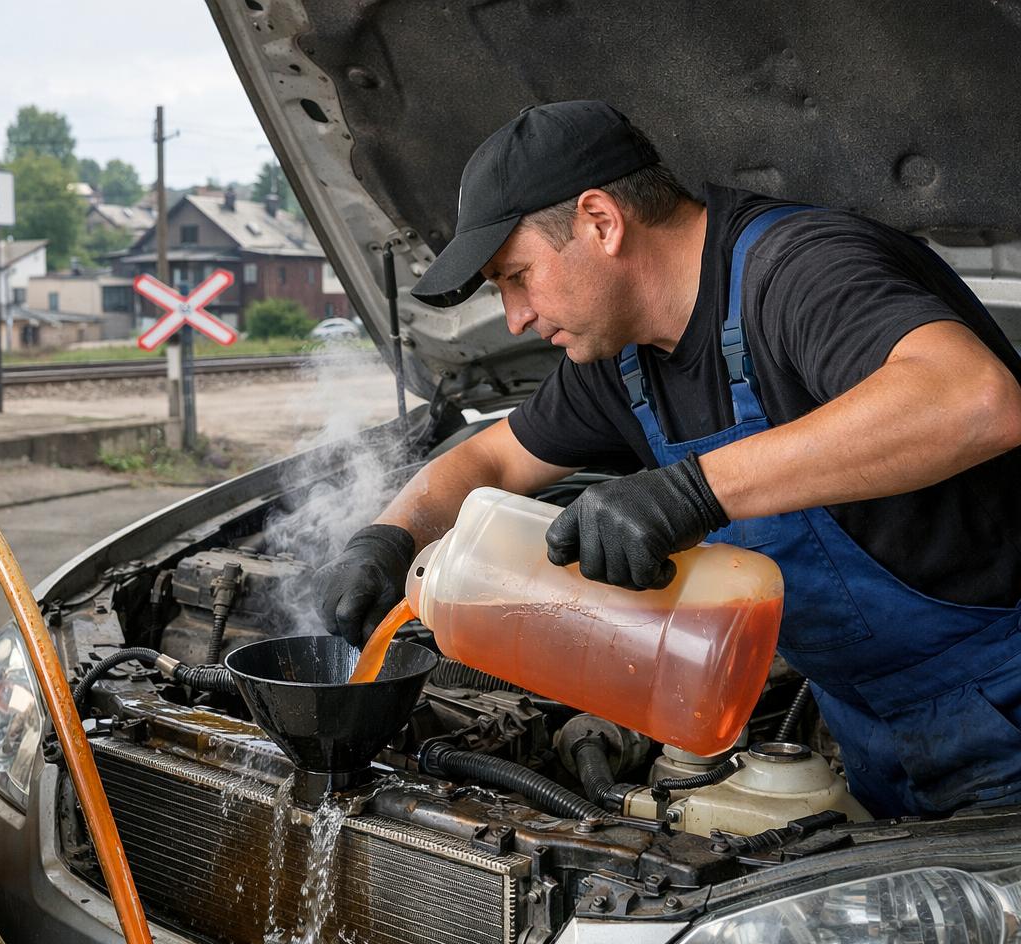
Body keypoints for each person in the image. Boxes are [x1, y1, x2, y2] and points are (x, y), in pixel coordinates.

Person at [316, 100, 1021, 820]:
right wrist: (388, 537)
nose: (518, 317)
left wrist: (692, 492)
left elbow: (976, 401)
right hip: (867, 729)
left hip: (1007, 694)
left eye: (516, 275)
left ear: (601, 221)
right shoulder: (619, 359)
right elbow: (488, 461)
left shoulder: (800, 272)